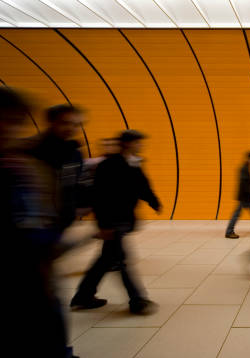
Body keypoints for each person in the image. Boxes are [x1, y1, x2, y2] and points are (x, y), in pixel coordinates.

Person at [1, 88, 77, 357]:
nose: (9, 130)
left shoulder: (23, 165)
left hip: (33, 269)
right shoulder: (27, 159)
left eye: (15, 123)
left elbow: (38, 213)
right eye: (6, 121)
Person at [71, 130, 161, 314]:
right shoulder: (109, 165)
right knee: (121, 259)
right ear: (127, 143)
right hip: (112, 220)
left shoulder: (134, 163)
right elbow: (100, 196)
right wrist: (104, 224)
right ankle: (137, 300)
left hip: (123, 217)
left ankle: (83, 296)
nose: (140, 146)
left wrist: (153, 201)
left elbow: (142, 185)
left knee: (105, 260)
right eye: (138, 142)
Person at [26, 104, 86, 232]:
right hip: (32, 221)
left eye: (76, 125)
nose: (71, 128)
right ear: (51, 122)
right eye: (65, 123)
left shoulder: (74, 153)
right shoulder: (31, 149)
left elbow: (72, 184)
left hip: (60, 221)